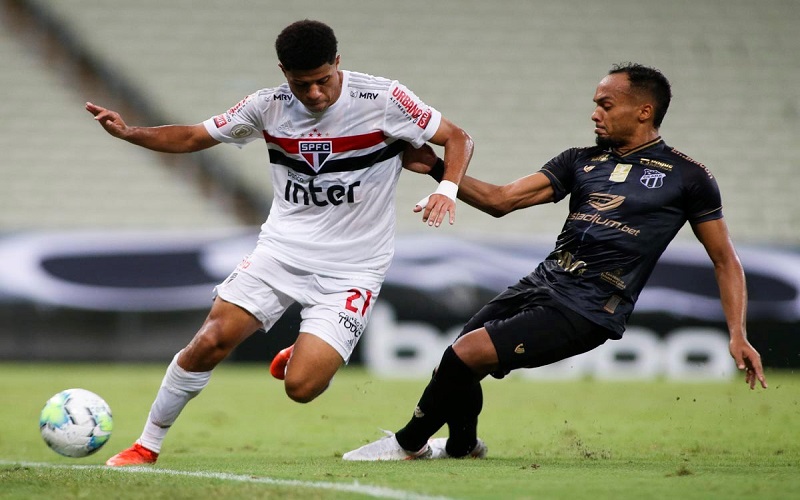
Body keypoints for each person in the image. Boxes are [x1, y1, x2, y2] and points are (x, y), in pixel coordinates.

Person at [88, 19, 473, 467]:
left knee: (302, 388)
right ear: (283, 72)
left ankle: (305, 354)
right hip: (282, 253)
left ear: (338, 63)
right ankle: (146, 445)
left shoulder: (384, 98)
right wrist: (130, 133)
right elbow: (194, 135)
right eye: (301, 84)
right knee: (210, 340)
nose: (314, 94)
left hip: (354, 268)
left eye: (323, 80)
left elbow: (457, 137)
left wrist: (447, 189)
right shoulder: (267, 106)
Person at [343, 62, 767, 461]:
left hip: (590, 304)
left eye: (606, 105)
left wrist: (738, 333)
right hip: (543, 282)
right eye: (596, 104)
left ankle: (408, 445)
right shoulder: (579, 160)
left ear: (644, 111)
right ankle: (462, 447)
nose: (595, 114)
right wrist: (437, 168)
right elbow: (501, 200)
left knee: (465, 354)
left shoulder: (688, 177)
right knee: (455, 362)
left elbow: (725, 260)